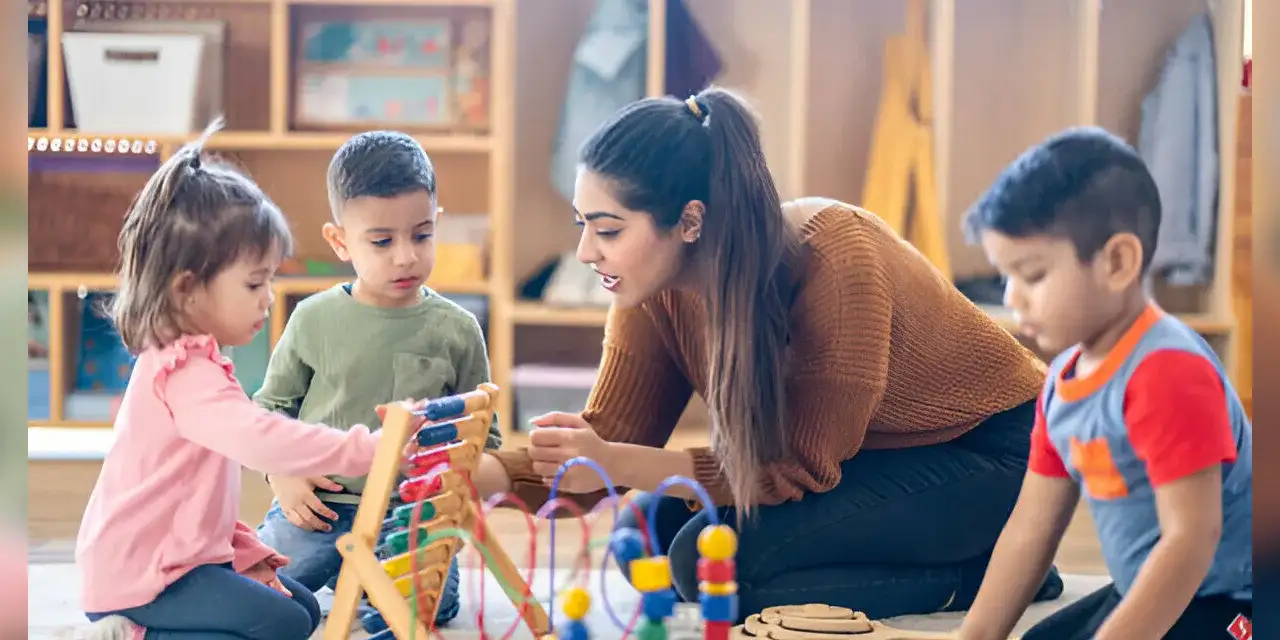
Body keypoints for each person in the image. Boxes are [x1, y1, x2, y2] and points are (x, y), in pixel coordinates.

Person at [469, 87, 1063, 619]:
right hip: (866, 455)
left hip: (998, 453)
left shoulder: (836, 261)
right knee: (644, 537)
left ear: (690, 222)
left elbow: (795, 466)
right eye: (582, 225)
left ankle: (984, 578)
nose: (584, 252)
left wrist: (617, 461)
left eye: (608, 230)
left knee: (722, 573)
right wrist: (485, 475)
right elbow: (605, 445)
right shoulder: (650, 290)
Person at [74, 119, 386, 640]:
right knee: (284, 624)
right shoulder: (183, 372)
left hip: (185, 556)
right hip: (144, 576)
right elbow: (260, 439)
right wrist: (363, 450)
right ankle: (130, 633)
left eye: (270, 280)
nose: (268, 297)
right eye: (253, 283)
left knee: (304, 609)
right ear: (188, 289)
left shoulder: (195, 354)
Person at [956, 128, 1253, 640]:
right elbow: (1032, 528)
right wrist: (975, 635)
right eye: (1006, 277)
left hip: (1229, 598)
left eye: (1032, 275)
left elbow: (1191, 539)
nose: (1014, 299)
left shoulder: (1168, 372)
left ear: (1117, 262)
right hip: (1150, 582)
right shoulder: (1064, 381)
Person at [254, 131, 501, 632]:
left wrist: (446, 504)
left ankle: (361, 577)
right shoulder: (312, 319)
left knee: (422, 610)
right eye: (382, 241)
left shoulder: (457, 329)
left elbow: (485, 439)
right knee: (263, 595)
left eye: (422, 234)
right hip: (320, 508)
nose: (406, 256)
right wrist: (284, 476)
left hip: (409, 517)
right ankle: (343, 571)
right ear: (340, 240)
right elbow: (268, 413)